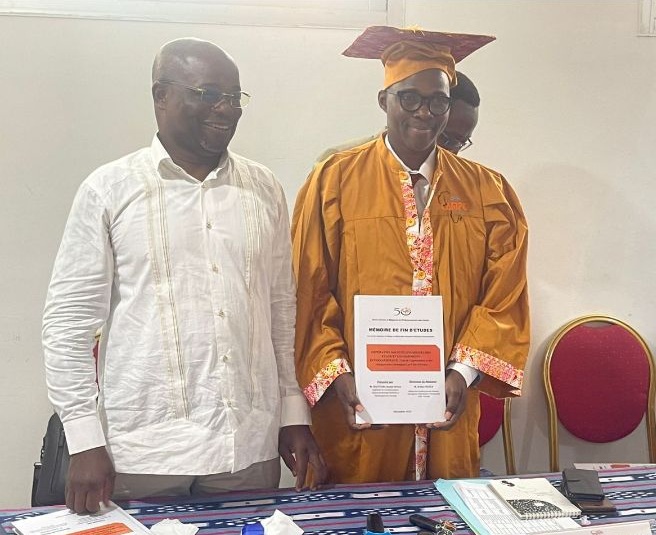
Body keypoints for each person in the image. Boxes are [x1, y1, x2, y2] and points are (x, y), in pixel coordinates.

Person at [42, 37, 326, 514]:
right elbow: (68, 324)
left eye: (234, 97)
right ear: (161, 96)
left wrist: (291, 413)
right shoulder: (110, 189)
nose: (226, 109)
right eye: (207, 94)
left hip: (246, 448)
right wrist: (84, 439)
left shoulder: (264, 188)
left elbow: (281, 311)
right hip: (146, 451)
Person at [292, 26, 529, 484]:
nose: (425, 112)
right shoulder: (334, 181)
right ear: (384, 100)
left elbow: (504, 294)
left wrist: (463, 373)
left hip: (447, 407)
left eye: (438, 101)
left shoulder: (488, 191)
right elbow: (309, 290)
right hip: (360, 405)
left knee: (444, 510)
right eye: (410, 98)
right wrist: (336, 373)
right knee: (361, 508)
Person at [315, 70, 480, 161]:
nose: (454, 152)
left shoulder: (466, 180)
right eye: (448, 139)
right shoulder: (337, 164)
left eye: (461, 143)